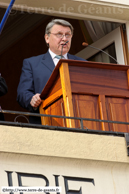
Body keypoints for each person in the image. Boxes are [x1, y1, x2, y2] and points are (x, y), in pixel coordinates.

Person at [17, 19, 85, 124]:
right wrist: (32, 99)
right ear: (47, 38)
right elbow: (22, 94)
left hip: (80, 122)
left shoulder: (82, 63)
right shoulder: (32, 63)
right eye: (59, 34)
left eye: (68, 35)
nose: (64, 39)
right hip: (46, 123)